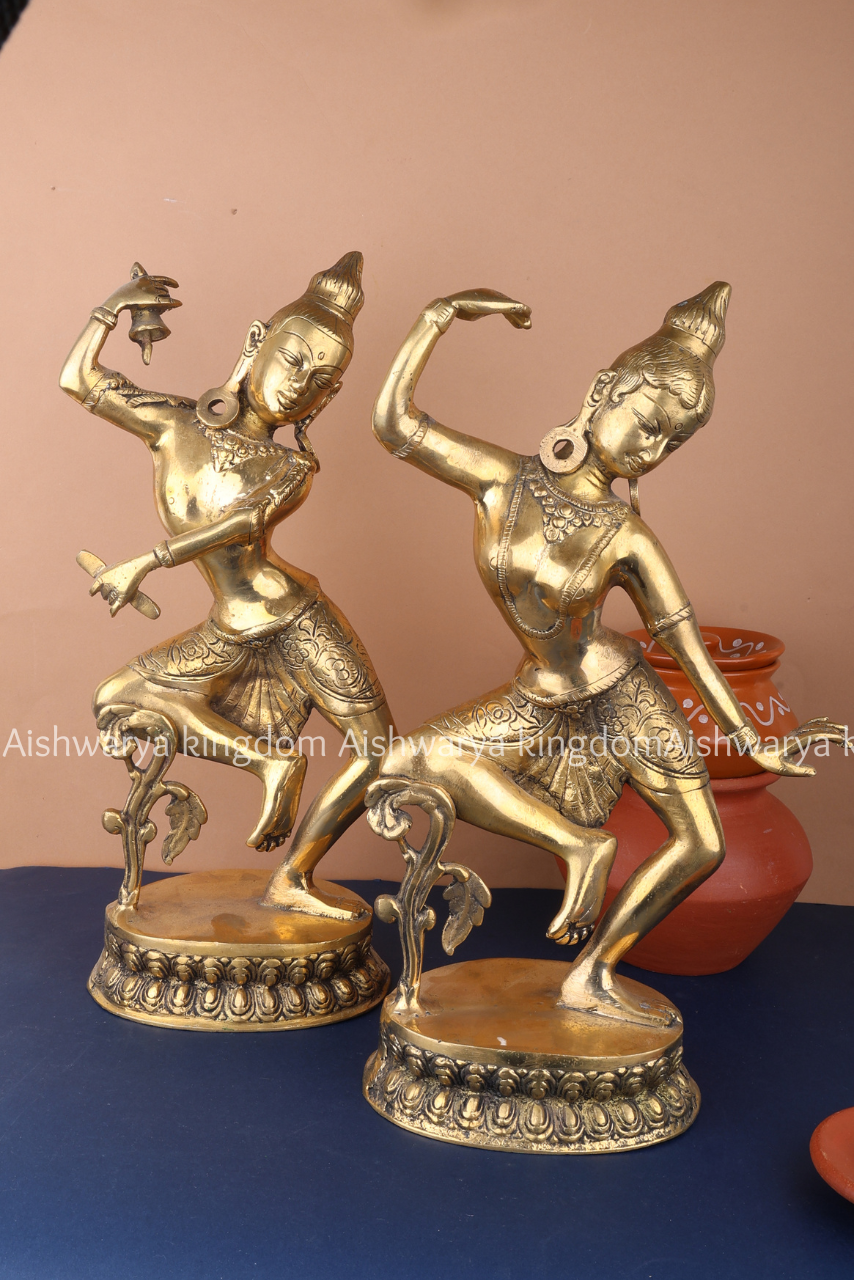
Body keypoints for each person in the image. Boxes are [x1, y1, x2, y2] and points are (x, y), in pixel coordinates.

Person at [372, 282, 843, 1023]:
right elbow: (396, 425)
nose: (652, 451)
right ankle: (579, 848)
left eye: (672, 443)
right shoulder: (502, 480)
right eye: (649, 425)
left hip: (621, 693)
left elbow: (685, 645)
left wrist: (753, 741)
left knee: (702, 843)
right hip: (542, 694)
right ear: (602, 392)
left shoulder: (626, 535)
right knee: (406, 761)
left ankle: (592, 975)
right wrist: (438, 318)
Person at [60, 253, 390, 919]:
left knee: (377, 749)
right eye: (293, 359)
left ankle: (294, 876)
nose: (300, 385)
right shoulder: (174, 422)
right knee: (117, 698)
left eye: (321, 380)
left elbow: (238, 526)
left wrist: (146, 561)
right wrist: (114, 308)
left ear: (327, 399)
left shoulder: (291, 468)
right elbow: (80, 380)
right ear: (256, 343)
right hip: (231, 624)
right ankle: (271, 764)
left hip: (294, 616)